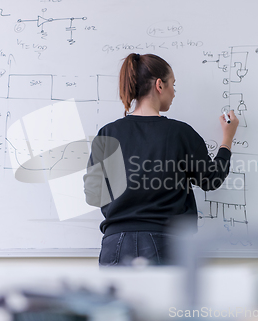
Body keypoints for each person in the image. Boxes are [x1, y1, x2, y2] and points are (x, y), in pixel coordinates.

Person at [84, 53, 239, 266]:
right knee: (167, 301)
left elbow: (94, 192)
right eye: (172, 85)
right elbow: (211, 180)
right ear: (159, 85)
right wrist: (227, 140)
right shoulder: (179, 133)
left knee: (118, 301)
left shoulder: (107, 133)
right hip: (165, 243)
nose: (174, 93)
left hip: (114, 245)